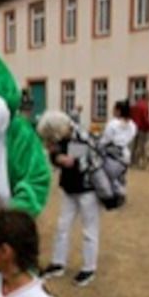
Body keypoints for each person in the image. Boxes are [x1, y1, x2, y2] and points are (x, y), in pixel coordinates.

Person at [39, 113, 100, 286]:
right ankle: (58, 263)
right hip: (69, 188)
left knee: (89, 230)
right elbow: (56, 157)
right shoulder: (62, 137)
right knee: (62, 226)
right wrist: (55, 155)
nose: (50, 139)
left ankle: (89, 268)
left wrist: (57, 156)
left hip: (87, 189)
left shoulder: (81, 136)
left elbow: (72, 162)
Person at [100, 99, 137, 199]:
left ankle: (116, 193)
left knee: (105, 172)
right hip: (125, 153)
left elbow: (106, 140)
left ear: (119, 111)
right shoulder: (132, 125)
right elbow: (131, 137)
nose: (113, 111)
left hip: (112, 154)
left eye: (114, 109)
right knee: (121, 175)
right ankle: (121, 191)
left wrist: (99, 143)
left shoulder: (113, 124)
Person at [130, 92, 149, 168]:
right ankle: (140, 163)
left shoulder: (135, 105)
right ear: (147, 98)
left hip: (133, 127)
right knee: (142, 146)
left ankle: (133, 162)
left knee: (134, 146)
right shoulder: (144, 106)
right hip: (142, 128)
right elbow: (145, 119)